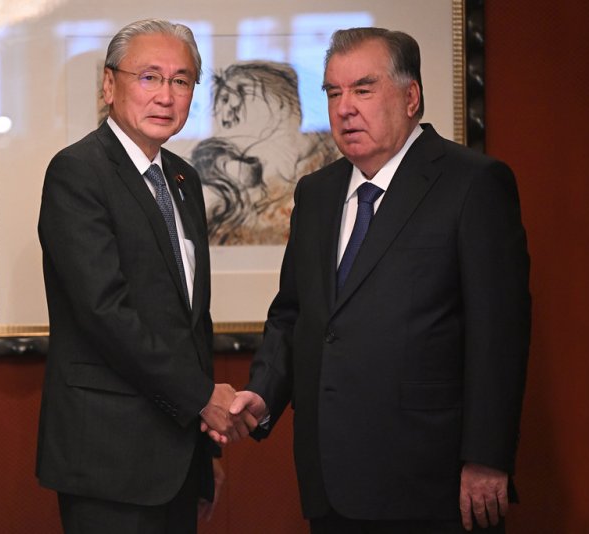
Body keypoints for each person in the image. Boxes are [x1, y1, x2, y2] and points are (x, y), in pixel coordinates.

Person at [226, 27, 531, 533]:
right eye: (333, 92)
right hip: (330, 482)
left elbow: (499, 333)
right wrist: (262, 394)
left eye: (363, 89)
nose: (345, 108)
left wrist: (486, 457)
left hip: (432, 481)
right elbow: (294, 314)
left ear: (410, 97)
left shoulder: (473, 184)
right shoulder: (315, 194)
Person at [36, 19, 254, 534]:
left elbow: (191, 322)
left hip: (179, 460)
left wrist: (205, 453)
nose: (166, 95)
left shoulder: (183, 178)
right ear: (109, 85)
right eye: (149, 77)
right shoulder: (78, 172)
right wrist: (203, 398)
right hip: (109, 460)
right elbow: (105, 313)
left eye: (181, 80)